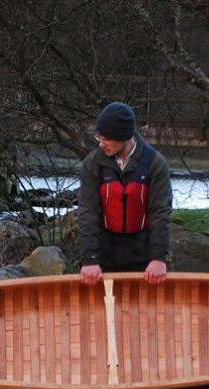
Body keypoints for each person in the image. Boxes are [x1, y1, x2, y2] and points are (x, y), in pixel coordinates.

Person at [76, 101, 172, 286]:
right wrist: (89, 259)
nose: (102, 144)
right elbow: (87, 211)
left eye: (107, 139)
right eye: (99, 138)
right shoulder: (93, 163)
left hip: (142, 253)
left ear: (125, 137)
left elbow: (161, 212)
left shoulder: (155, 163)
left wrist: (159, 258)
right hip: (104, 253)